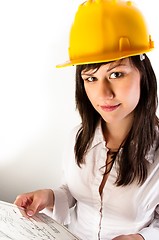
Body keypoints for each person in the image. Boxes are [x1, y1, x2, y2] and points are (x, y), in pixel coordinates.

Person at [14, 0, 159, 239]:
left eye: (116, 74)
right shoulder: (78, 137)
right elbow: (75, 192)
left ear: (143, 75)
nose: (103, 94)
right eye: (91, 78)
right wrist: (49, 196)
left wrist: (142, 238)